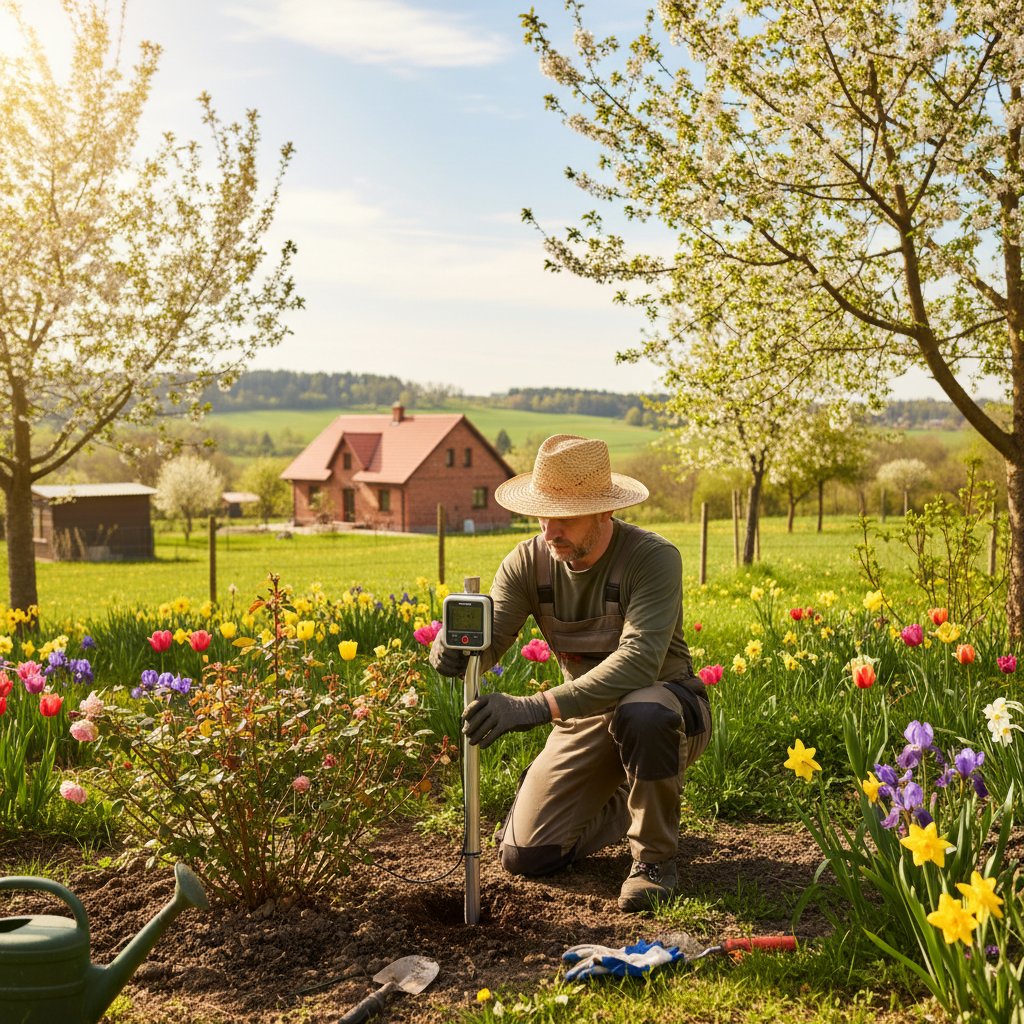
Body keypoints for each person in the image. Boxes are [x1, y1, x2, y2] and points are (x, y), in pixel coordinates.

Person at [429, 434, 711, 912]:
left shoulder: (652, 558)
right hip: (585, 717)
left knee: (642, 713)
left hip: (665, 704)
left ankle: (655, 862)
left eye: (565, 516)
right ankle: (634, 794)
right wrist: (456, 650)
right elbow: (492, 638)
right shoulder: (528, 562)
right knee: (527, 855)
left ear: (605, 511)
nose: (550, 529)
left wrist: (536, 707)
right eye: (543, 514)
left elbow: (640, 661)